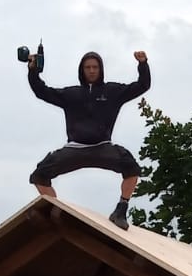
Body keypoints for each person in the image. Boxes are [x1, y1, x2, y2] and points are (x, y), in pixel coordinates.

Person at [26, 48, 151, 230]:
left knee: (132, 168)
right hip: (75, 148)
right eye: (87, 67)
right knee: (39, 176)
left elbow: (142, 85)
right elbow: (42, 91)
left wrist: (143, 64)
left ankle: (121, 210)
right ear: (82, 70)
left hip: (102, 147)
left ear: (100, 69)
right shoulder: (71, 94)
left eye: (95, 67)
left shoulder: (112, 91)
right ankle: (58, 212)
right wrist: (33, 71)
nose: (91, 70)